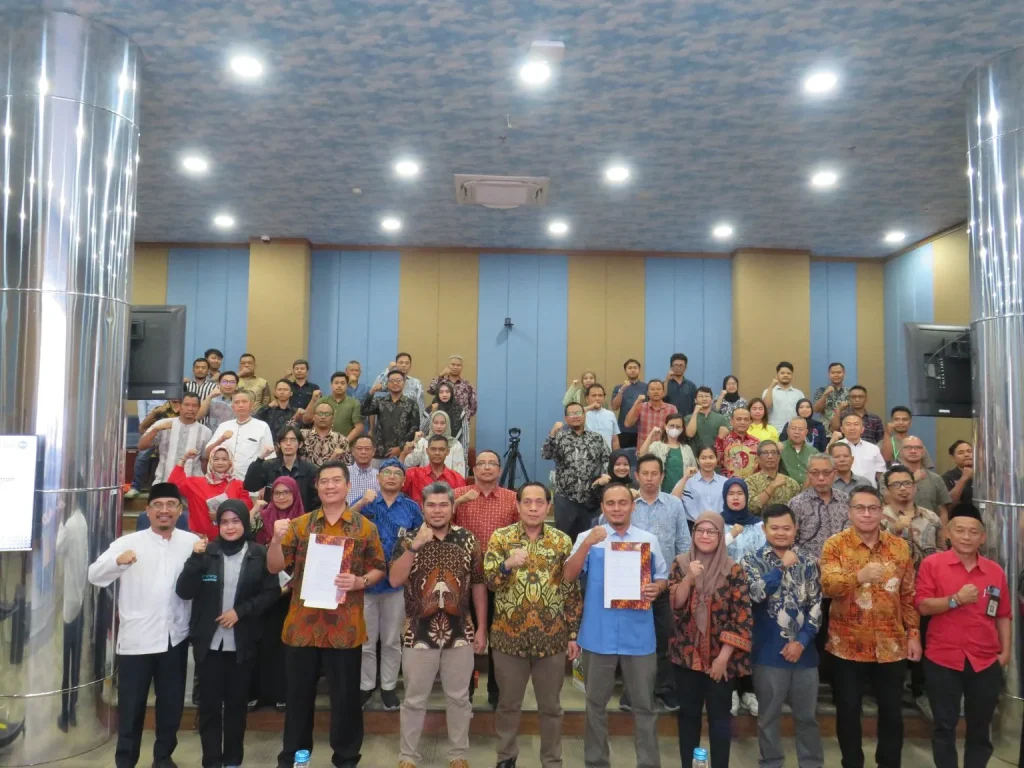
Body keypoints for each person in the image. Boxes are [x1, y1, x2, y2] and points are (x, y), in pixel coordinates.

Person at [267, 460, 387, 768]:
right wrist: (276, 540)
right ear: (317, 487)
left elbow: (379, 568)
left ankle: (346, 759)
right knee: (298, 700)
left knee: (346, 701)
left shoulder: (365, 527)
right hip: (302, 627)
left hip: (344, 628)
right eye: (324, 481)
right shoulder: (300, 525)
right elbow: (275, 566)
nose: (330, 486)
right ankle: (295, 758)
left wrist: (360, 581)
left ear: (348, 486)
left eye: (336, 480)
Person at [87, 483, 198, 768]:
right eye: (157, 505)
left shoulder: (192, 542)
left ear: (180, 510)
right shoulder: (128, 542)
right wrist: (117, 561)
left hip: (174, 638)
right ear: (147, 511)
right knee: (131, 708)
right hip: (137, 641)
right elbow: (94, 575)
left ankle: (163, 758)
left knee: (171, 705)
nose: (164, 510)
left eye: (171, 505)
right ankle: (126, 761)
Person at [563, 483, 668, 768]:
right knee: (595, 705)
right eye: (610, 503)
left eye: (623, 502)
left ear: (632, 506)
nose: (617, 508)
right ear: (602, 507)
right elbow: (568, 576)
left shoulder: (648, 540)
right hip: (598, 634)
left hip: (639, 635)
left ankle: (648, 764)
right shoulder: (588, 538)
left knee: (644, 706)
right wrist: (587, 543)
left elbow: (662, 577)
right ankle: (596, 762)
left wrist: (657, 588)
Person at [820, 484, 921, 768]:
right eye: (860, 508)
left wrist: (914, 634)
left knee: (892, 713)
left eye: (873, 508)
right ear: (849, 512)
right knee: (848, 711)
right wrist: (859, 576)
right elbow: (828, 586)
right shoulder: (835, 545)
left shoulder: (899, 547)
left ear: (881, 512)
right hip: (847, 645)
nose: (866, 514)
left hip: (892, 644)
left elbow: (908, 595)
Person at [388, 482, 487, 768]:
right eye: (431, 505)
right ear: (422, 507)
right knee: (414, 699)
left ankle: (458, 754)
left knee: (459, 698)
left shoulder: (468, 539)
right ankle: (408, 756)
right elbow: (394, 580)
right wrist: (414, 547)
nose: (438, 510)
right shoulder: (407, 539)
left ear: (453, 507)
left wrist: (482, 628)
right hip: (417, 633)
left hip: (460, 632)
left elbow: (478, 584)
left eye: (444, 504)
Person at [175, 500, 279, 768]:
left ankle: (233, 760)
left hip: (242, 644)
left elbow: (271, 593)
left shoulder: (258, 553)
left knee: (236, 707)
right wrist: (194, 560)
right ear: (217, 525)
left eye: (235, 521)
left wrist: (240, 612)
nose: (230, 527)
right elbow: (184, 591)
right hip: (209, 645)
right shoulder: (206, 552)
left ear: (245, 523)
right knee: (209, 707)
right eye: (224, 522)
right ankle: (211, 761)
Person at [484, 482, 581, 768]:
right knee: (508, 704)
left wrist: (573, 633)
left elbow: (570, 590)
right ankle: (506, 758)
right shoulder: (501, 538)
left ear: (549, 506)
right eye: (527, 502)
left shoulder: (562, 541)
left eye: (540, 502)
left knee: (551, 707)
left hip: (552, 639)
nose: (534, 508)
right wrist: (506, 565)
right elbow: (489, 582)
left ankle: (552, 760)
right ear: (517, 505)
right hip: (508, 638)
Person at [916, 503, 1011, 768]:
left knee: (981, 728)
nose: (966, 537)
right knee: (944, 726)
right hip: (943, 658)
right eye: (960, 530)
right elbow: (923, 605)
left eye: (973, 532)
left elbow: (1003, 614)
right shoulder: (932, 564)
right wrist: (956, 600)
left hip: (985, 660)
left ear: (983, 537)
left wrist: (1005, 652)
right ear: (948, 533)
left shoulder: (995, 571)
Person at [742, 504, 824, 768]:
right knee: (768, 717)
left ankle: (811, 764)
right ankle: (771, 763)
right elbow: (755, 594)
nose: (781, 533)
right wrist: (780, 568)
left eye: (786, 528)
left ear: (795, 529)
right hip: (767, 653)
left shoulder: (809, 562)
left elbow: (816, 607)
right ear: (764, 529)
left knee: (807, 718)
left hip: (805, 654)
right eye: (774, 528)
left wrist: (801, 642)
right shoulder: (751, 561)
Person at [669, 511, 752, 768]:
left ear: (720, 535)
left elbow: (741, 617)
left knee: (719, 719)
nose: (705, 536)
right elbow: (675, 605)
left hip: (721, 659)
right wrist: (689, 578)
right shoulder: (681, 564)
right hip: (686, 657)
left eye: (711, 531)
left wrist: (723, 659)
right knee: (688, 716)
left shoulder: (733, 570)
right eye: (700, 531)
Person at [621, 454, 692, 712]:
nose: (649, 479)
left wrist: (683, 578)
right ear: (636, 476)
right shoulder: (627, 504)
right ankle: (632, 693)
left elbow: (683, 543)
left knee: (666, 639)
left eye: (655, 474)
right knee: (633, 641)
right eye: (645, 473)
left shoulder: (674, 504)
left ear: (662, 476)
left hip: (665, 585)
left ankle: (665, 690)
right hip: (631, 585)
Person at [453, 450, 519, 707]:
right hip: (464, 578)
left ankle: (496, 691)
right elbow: (439, 522)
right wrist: (458, 503)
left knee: (498, 636)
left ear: (499, 470)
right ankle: (465, 691)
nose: (487, 467)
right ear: (474, 469)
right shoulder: (459, 494)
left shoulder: (512, 498)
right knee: (465, 636)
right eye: (482, 463)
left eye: (492, 463)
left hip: (501, 577)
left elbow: (521, 533)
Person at [357, 459, 423, 711]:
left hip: (396, 585)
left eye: (397, 473)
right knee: (366, 640)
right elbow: (344, 523)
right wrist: (360, 503)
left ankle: (388, 686)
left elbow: (421, 539)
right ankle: (365, 685)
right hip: (366, 582)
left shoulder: (411, 507)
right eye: (387, 472)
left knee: (392, 640)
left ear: (404, 481)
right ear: (378, 477)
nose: (392, 476)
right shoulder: (367, 502)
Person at [881, 464, 942, 717]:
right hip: (889, 593)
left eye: (907, 483)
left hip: (924, 591)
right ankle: (888, 694)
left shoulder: (931, 517)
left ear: (915, 487)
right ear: (887, 490)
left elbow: (941, 551)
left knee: (923, 641)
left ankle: (920, 691)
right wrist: (895, 529)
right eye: (896, 484)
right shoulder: (878, 517)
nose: (903, 489)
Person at [250, 477, 305, 712]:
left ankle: (283, 694)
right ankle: (258, 693)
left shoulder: (304, 521)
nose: (282, 497)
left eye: (286, 493)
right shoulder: (261, 519)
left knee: (287, 645)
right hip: (264, 590)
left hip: (293, 592)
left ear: (295, 494)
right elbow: (249, 548)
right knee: (262, 641)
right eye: (277, 493)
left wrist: (291, 583)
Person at [719, 477, 765, 716]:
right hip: (724, 592)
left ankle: (749, 691)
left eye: (740, 493)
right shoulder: (717, 523)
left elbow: (765, 555)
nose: (736, 497)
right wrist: (730, 535)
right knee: (728, 639)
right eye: (731, 493)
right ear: (724, 497)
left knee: (749, 640)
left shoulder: (758, 525)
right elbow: (710, 552)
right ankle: (731, 691)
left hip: (753, 592)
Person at [542, 402, 611, 543]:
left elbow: (606, 459)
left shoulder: (597, 438)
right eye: (571, 414)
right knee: (564, 542)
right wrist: (552, 434)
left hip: (591, 499)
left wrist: (604, 476)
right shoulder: (560, 437)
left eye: (578, 413)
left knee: (591, 541)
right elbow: (546, 454)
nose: (575, 416)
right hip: (566, 498)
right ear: (566, 418)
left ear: (584, 415)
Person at [170, 447, 253, 539]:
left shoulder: (238, 485)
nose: (220, 462)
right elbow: (174, 484)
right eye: (216, 459)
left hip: (230, 538)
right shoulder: (196, 483)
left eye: (224, 459)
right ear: (210, 461)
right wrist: (184, 458)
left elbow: (246, 508)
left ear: (230, 462)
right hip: (200, 539)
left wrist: (222, 515)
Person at [56, 505, 89, 734]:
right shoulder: (82, 521)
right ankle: (73, 710)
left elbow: (58, 548)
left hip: (68, 604)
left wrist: (57, 522)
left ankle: (65, 714)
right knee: (75, 659)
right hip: (80, 600)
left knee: (65, 662)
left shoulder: (69, 525)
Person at [244, 424, 320, 513]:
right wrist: (260, 458)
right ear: (279, 444)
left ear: (300, 444)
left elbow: (316, 501)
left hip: (301, 517)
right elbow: (250, 486)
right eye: (284, 440)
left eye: (292, 440)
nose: (288, 443)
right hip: (273, 517)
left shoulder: (311, 470)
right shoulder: (269, 466)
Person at [138, 393, 212, 484]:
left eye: (194, 406)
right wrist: (156, 429)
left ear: (199, 408)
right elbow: (141, 446)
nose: (190, 409)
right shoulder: (163, 424)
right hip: (164, 481)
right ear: (179, 406)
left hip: (192, 484)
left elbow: (204, 460)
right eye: (186, 405)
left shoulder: (206, 432)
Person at [204, 391, 275, 481]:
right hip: (223, 482)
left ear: (251, 405)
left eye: (244, 402)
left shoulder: (262, 426)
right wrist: (221, 439)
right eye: (237, 402)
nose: (241, 405)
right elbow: (207, 453)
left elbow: (270, 458)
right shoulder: (223, 426)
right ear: (233, 406)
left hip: (250, 481)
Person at [789, 454, 850, 559]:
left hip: (845, 563)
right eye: (815, 473)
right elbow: (790, 541)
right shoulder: (797, 503)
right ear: (808, 474)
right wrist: (813, 561)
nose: (821, 478)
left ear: (835, 474)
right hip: (809, 565)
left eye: (826, 473)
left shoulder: (846, 500)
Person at [126, 399, 181, 498]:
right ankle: (135, 487)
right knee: (142, 455)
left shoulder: (184, 408)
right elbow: (142, 427)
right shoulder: (160, 409)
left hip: (176, 439)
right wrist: (154, 415)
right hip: (156, 435)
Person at [363, 369, 420, 460]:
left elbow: (414, 428)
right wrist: (371, 393)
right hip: (381, 451)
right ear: (387, 384)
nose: (395, 383)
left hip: (402, 453)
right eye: (392, 381)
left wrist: (400, 448)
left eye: (398, 380)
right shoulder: (380, 401)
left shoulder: (411, 404)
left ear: (404, 383)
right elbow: (364, 411)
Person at [898, 435, 953, 528]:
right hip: (900, 531)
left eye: (917, 448)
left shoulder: (936, 479)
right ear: (901, 451)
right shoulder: (888, 477)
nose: (913, 451)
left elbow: (943, 512)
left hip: (930, 531)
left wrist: (943, 533)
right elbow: (886, 502)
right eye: (908, 447)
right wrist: (913, 480)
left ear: (923, 452)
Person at [427, 355, 478, 453]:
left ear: (462, 367)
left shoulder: (467, 385)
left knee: (458, 451)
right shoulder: (442, 382)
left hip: (459, 426)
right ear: (448, 366)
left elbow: (473, 406)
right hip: (440, 425)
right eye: (453, 364)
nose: (455, 367)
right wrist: (441, 375)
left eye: (458, 365)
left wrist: (464, 417)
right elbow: (430, 390)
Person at [639, 415, 696, 494]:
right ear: (665, 426)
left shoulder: (687, 449)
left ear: (682, 429)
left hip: (682, 493)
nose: (674, 429)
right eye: (671, 425)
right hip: (660, 493)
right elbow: (642, 455)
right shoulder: (657, 446)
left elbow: (694, 471)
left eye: (678, 427)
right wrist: (651, 434)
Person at [401, 410, 467, 477]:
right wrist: (415, 443)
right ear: (431, 424)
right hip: (424, 481)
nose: (439, 426)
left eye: (442, 423)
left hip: (448, 482)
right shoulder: (423, 442)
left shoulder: (455, 445)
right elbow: (408, 464)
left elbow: (459, 474)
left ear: (447, 424)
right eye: (435, 423)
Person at [402, 434, 467, 502]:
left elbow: (461, 505)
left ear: (447, 452)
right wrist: (403, 454)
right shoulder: (412, 474)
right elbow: (397, 493)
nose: (437, 453)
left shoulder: (457, 479)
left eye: (441, 449)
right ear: (427, 451)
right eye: (433, 449)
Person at [829, 412, 885, 488]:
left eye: (856, 424)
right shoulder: (835, 447)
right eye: (848, 424)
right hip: (842, 490)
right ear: (842, 429)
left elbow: (880, 473)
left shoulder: (873, 448)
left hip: (869, 490)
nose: (852, 428)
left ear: (862, 429)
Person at [375, 352, 428, 429]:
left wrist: (418, 428)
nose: (404, 365)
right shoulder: (390, 382)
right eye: (401, 362)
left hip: (410, 424)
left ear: (410, 365)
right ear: (396, 364)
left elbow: (420, 407)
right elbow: (375, 387)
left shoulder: (416, 383)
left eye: (407, 363)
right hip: (390, 424)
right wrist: (388, 369)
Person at [306, 371, 363, 444]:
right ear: (331, 385)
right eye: (336, 383)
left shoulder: (354, 403)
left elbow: (359, 427)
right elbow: (306, 420)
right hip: (321, 444)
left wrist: (344, 442)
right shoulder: (321, 401)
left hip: (345, 445)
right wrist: (313, 400)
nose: (339, 386)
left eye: (342, 383)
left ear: (347, 385)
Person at [746, 440, 802, 513]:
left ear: (779, 457)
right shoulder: (750, 482)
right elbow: (751, 508)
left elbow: (799, 510)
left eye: (773, 453)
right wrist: (772, 486)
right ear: (758, 459)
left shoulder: (791, 483)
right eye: (765, 453)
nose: (770, 456)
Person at [624, 379, 678, 446]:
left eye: (658, 389)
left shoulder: (672, 409)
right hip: (644, 449)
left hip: (664, 448)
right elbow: (627, 424)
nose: (656, 392)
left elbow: (676, 430)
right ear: (647, 393)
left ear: (663, 393)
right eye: (652, 389)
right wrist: (636, 403)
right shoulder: (640, 407)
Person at [680, 446, 726, 524]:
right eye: (703, 458)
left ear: (717, 459)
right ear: (697, 460)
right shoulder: (689, 482)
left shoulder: (725, 482)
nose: (708, 461)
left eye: (711, 457)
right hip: (695, 526)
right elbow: (675, 501)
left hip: (721, 526)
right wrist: (685, 477)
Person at [301, 401, 353, 467]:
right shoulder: (303, 435)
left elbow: (347, 467)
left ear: (333, 418)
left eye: (327, 414)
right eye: (320, 413)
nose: (323, 417)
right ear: (314, 417)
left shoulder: (342, 440)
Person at [715, 407, 760, 479]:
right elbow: (717, 462)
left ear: (750, 422)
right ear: (731, 422)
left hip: (751, 483)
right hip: (729, 482)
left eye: (746, 419)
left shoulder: (756, 442)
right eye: (739, 419)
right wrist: (719, 440)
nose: (742, 422)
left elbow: (760, 466)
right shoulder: (723, 440)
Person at [611, 358, 646, 449]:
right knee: (624, 455)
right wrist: (621, 390)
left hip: (642, 429)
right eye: (629, 368)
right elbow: (614, 407)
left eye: (635, 368)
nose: (632, 370)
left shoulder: (646, 387)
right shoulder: (618, 387)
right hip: (623, 429)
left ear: (639, 370)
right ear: (625, 370)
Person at [686, 385, 732, 455]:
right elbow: (690, 434)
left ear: (712, 400)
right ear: (695, 400)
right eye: (701, 396)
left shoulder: (721, 418)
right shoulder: (688, 418)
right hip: (695, 457)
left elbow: (728, 438)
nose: (704, 399)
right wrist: (695, 413)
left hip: (716, 457)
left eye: (707, 396)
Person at [762, 361, 805, 433]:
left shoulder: (799, 393)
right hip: (773, 431)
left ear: (792, 376)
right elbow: (766, 407)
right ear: (777, 375)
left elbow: (803, 414)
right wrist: (771, 386)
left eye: (789, 373)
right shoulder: (768, 391)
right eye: (782, 373)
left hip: (793, 432)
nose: (785, 375)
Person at [779, 417, 820, 486]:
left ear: (806, 432)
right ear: (787, 431)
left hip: (808, 489)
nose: (797, 432)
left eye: (800, 429)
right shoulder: (779, 448)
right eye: (793, 428)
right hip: (786, 488)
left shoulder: (814, 452)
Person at [583, 382, 621, 450]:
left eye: (600, 395)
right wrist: (590, 407)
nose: (597, 398)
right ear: (587, 398)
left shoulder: (610, 415)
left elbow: (615, 440)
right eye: (594, 395)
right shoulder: (582, 414)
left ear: (604, 398)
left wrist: (616, 455)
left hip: (607, 454)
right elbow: (573, 414)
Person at [811, 361, 849, 427]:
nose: (836, 375)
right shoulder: (821, 390)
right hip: (825, 429)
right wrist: (825, 395)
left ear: (844, 374)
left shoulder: (850, 392)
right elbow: (816, 410)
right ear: (829, 375)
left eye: (839, 372)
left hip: (846, 428)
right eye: (833, 373)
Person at [346, 435, 380, 504]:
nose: (363, 452)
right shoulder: (343, 473)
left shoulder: (380, 476)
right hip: (347, 510)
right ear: (353, 451)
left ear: (373, 452)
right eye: (359, 448)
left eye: (367, 449)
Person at [430, 379, 466, 444]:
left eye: (447, 392)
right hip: (433, 446)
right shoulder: (431, 408)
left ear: (451, 393)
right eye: (441, 392)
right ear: (437, 394)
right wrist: (432, 413)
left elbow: (465, 435)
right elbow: (423, 430)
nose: (444, 395)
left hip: (454, 446)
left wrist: (463, 451)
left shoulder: (459, 411)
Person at [943, 439, 974, 505]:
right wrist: (964, 478)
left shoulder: (984, 474)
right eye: (961, 453)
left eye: (969, 451)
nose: (966, 455)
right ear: (953, 458)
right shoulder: (947, 477)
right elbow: (948, 504)